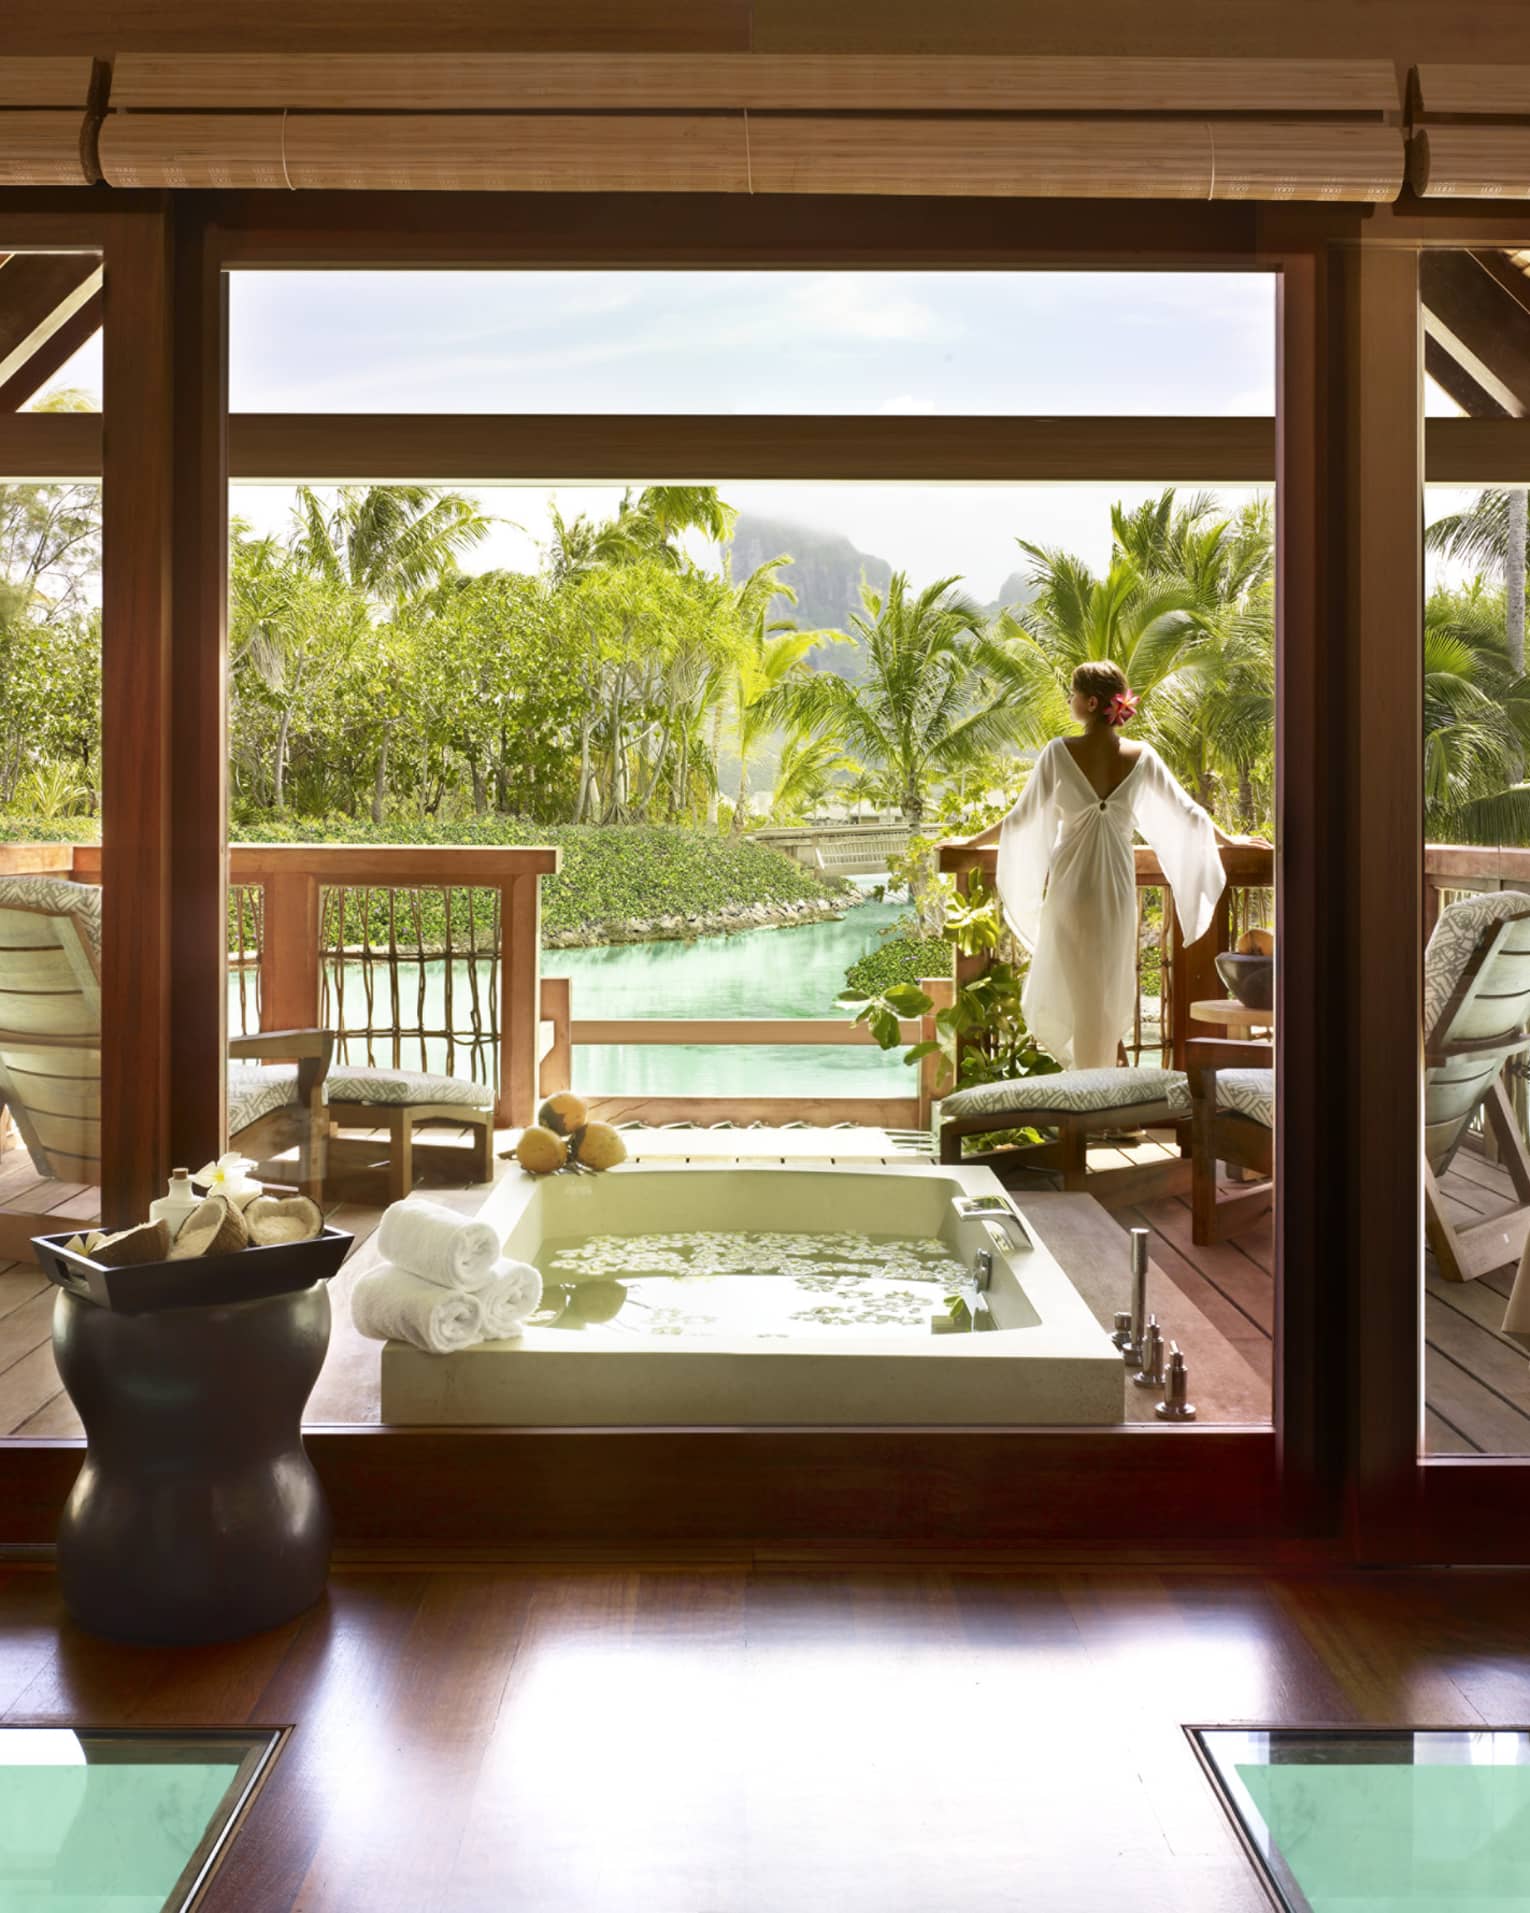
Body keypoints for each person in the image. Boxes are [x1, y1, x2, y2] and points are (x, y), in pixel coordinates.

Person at [964, 661, 1230, 1072]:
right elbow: (1188, 814)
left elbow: (1021, 818)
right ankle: (1106, 1099)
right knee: (1105, 991)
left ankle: (1089, 1098)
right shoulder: (1142, 756)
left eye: (1072, 693)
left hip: (1072, 886)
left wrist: (969, 842)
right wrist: (1231, 840)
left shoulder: (1059, 752)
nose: (1069, 700)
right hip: (1116, 888)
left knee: (1079, 991)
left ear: (1090, 702)